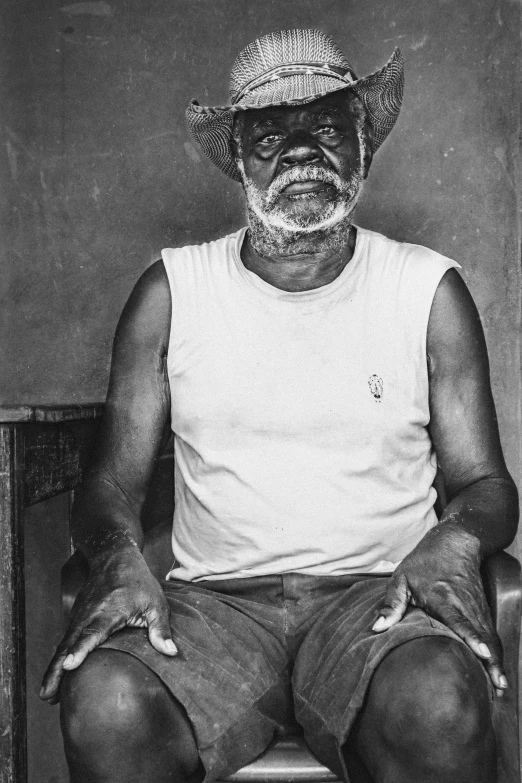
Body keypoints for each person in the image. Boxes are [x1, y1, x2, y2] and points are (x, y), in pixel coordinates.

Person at [40, 29, 518, 783]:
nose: (301, 152)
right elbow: (109, 487)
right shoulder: (171, 294)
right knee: (105, 702)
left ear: (364, 143)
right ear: (237, 157)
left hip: (377, 603)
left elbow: (487, 486)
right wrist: (118, 557)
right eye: (270, 135)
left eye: (326, 127)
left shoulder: (426, 292)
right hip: (213, 614)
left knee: (438, 701)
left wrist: (454, 543)